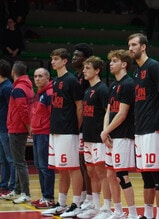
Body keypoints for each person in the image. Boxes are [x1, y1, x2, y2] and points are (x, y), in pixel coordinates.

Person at [128, 33, 159, 219]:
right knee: (146, 174)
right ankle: (148, 214)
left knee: (157, 174)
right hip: (140, 128)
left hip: (153, 128)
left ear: (143, 47)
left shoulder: (154, 67)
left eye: (134, 44)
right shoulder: (136, 72)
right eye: (129, 45)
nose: (131, 48)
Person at [42, 48, 84, 218]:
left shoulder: (71, 80)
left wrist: (76, 128)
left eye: (56, 59)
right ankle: (61, 203)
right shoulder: (55, 81)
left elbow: (80, 106)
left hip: (69, 131)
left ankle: (77, 204)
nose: (53, 62)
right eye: (52, 59)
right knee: (62, 168)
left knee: (73, 168)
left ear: (65, 61)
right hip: (56, 131)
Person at [100, 49, 138, 219]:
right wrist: (105, 131)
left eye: (114, 61)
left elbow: (122, 113)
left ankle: (133, 214)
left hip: (123, 135)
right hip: (111, 135)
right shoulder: (113, 85)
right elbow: (109, 110)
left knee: (121, 175)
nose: (111, 64)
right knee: (110, 173)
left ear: (123, 64)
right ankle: (118, 211)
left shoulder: (129, 84)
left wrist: (107, 131)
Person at [77, 56, 111, 219]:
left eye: (88, 68)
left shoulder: (102, 89)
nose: (84, 71)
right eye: (84, 68)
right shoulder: (88, 90)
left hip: (99, 138)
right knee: (91, 172)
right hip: (88, 137)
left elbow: (109, 112)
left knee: (101, 173)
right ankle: (96, 207)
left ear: (97, 70)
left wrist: (106, 132)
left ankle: (107, 207)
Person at [3, 61, 34, 204]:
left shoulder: (18, 89)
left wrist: (29, 128)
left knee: (20, 162)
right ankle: (16, 190)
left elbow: (23, 111)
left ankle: (25, 193)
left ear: (13, 72)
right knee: (17, 162)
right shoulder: (26, 86)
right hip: (18, 128)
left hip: (17, 129)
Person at [71, 42, 93, 209]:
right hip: (76, 126)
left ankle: (91, 199)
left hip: (86, 125)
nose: (74, 57)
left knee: (86, 164)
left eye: (78, 55)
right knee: (80, 163)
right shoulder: (76, 77)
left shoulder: (87, 80)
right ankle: (84, 198)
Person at [30, 67, 55, 209]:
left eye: (40, 76)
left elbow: (52, 115)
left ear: (47, 78)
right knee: (39, 166)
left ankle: (49, 197)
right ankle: (44, 196)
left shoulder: (49, 94)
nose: (37, 79)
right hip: (37, 133)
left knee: (45, 166)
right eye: (35, 76)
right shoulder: (39, 94)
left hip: (45, 134)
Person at [0, 59, 15, 197]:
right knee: (3, 160)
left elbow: (12, 108)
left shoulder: (7, 87)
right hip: (1, 128)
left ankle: (13, 186)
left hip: (6, 128)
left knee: (10, 159)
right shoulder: (2, 86)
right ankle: (3, 185)